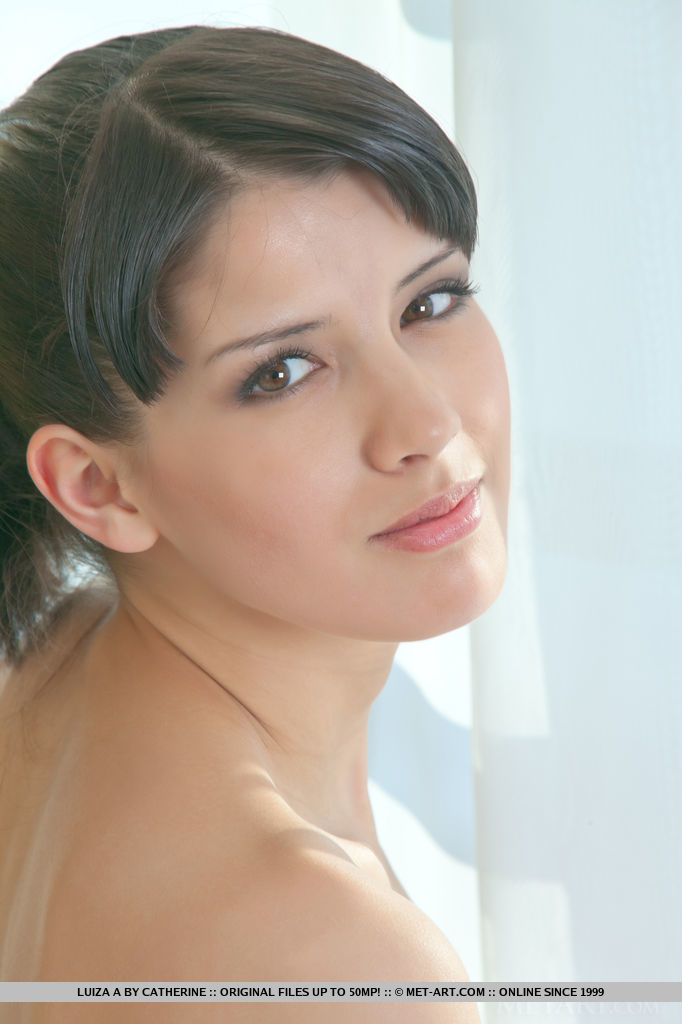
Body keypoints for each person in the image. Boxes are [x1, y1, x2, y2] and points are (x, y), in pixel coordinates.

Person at [0, 25, 510, 1022]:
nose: (427, 424)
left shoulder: (51, 674)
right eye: (281, 371)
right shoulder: (335, 961)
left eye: (430, 301)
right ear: (98, 486)